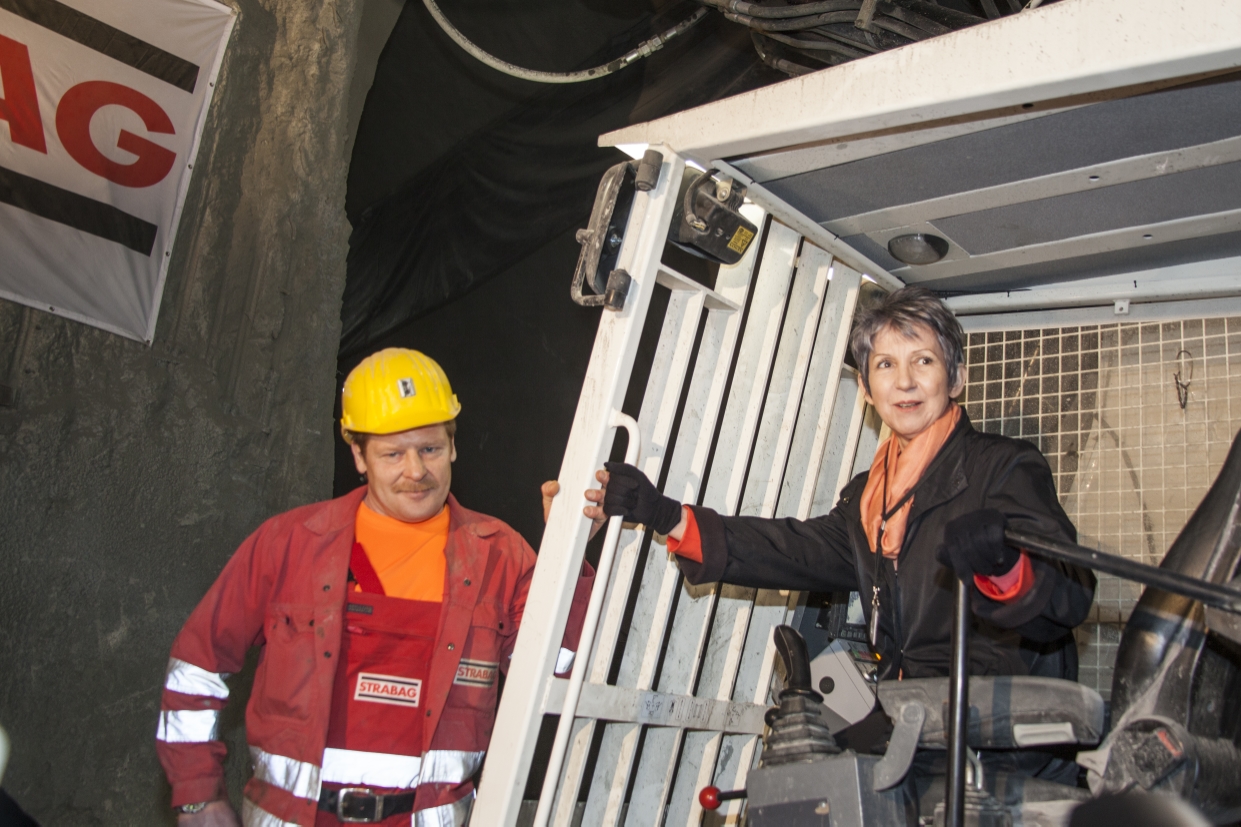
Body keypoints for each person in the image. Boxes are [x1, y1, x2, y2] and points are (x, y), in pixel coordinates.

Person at [576, 286, 1096, 779]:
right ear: (867, 391)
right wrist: (666, 515)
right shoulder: (869, 498)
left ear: (955, 377)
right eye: (886, 365)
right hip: (914, 736)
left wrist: (1005, 569)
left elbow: (1070, 593)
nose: (906, 382)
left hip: (1002, 748)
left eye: (924, 361)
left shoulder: (1001, 469)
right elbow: (792, 550)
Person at [157, 349, 592, 827]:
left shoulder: (499, 556)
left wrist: (568, 559)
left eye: (429, 448)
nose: (415, 471)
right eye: (392, 453)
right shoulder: (289, 544)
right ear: (358, 457)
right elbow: (196, 666)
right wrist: (196, 796)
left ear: (453, 446)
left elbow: (557, 673)